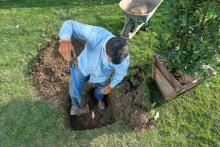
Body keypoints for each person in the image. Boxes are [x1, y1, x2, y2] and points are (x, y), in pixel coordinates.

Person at [58, 20, 130, 115]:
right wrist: (64, 40)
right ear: (104, 47)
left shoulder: (123, 57)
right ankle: (75, 105)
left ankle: (99, 99)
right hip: (84, 67)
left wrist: (111, 85)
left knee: (101, 90)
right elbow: (69, 24)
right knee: (73, 90)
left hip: (102, 75)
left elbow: (120, 74)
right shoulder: (95, 34)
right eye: (109, 60)